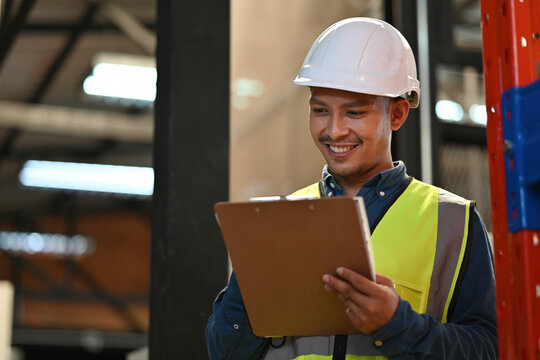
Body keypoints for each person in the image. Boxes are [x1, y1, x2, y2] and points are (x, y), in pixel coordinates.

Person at [206, 17, 497, 359]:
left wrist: (398, 324)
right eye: (320, 110)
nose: (334, 130)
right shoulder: (282, 216)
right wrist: (250, 280)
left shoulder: (453, 222)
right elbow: (224, 353)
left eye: (354, 112)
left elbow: (489, 349)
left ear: (398, 114)